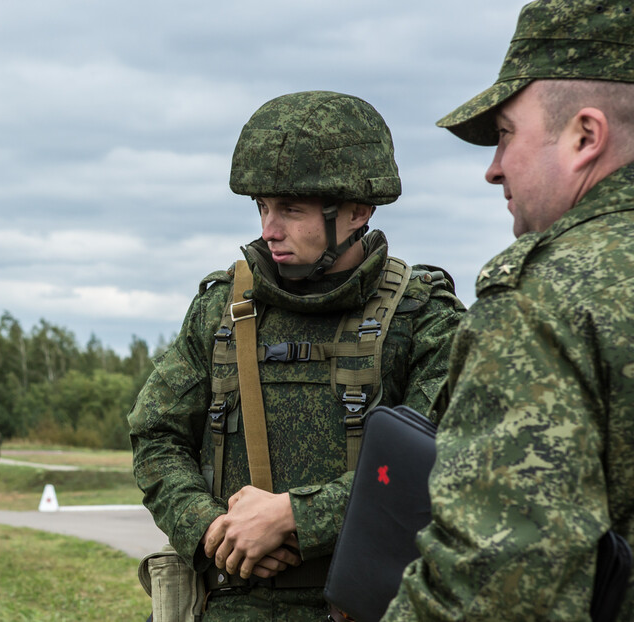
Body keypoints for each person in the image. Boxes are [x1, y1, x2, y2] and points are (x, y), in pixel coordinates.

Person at [128, 90, 465, 620]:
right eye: (262, 206)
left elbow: (442, 459)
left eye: (290, 208)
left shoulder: (423, 316)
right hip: (228, 603)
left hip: (364, 604)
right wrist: (212, 530)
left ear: (357, 210)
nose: (268, 229)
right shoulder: (221, 305)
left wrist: (294, 517)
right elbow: (157, 435)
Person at [383, 1, 634, 619]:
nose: (494, 170)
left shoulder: (543, 299)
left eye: (504, 135)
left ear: (584, 136)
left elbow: (497, 592)